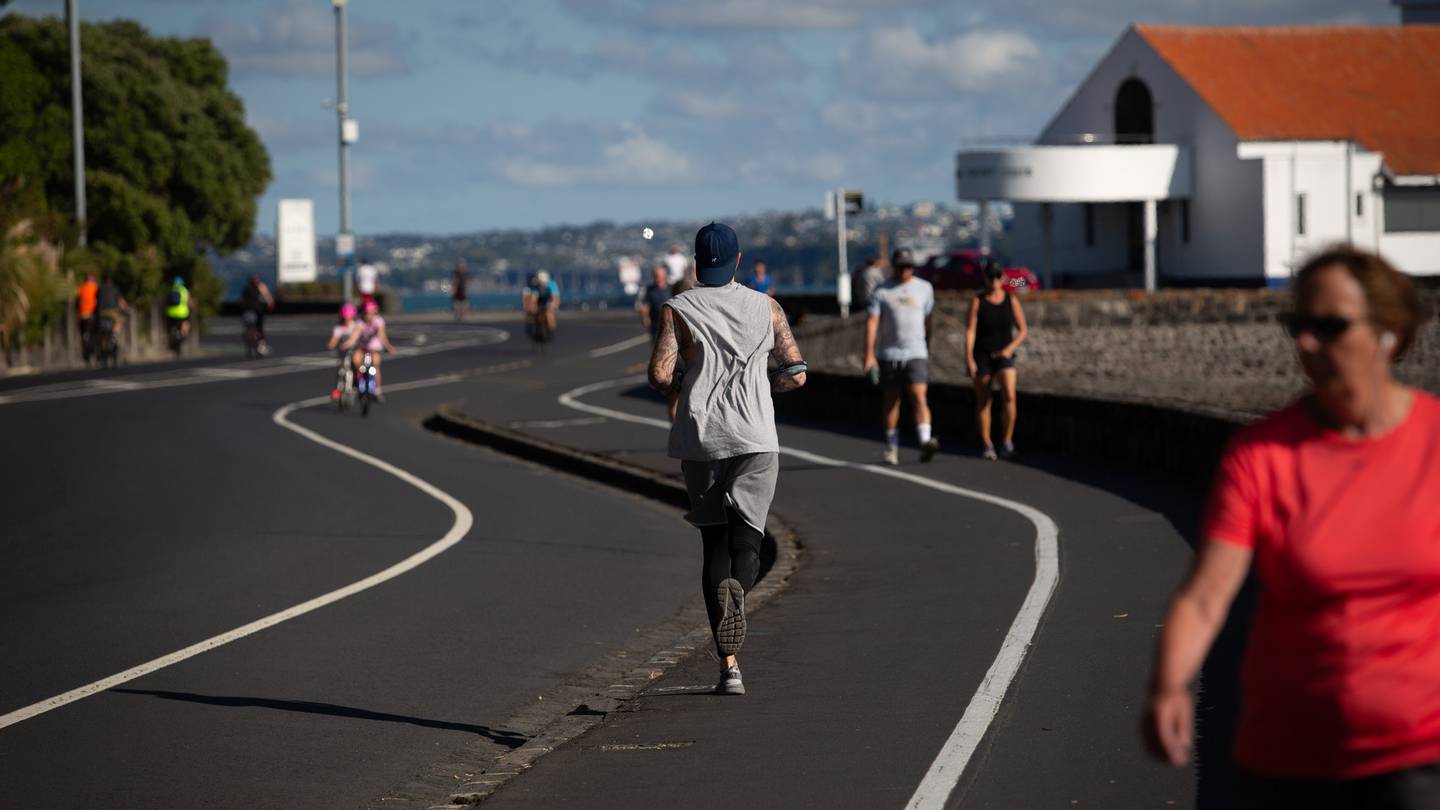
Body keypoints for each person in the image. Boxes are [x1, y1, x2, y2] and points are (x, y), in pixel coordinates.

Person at [1145, 246, 1439, 809]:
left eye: (1330, 327)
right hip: (1287, 760)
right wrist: (1169, 685)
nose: (1308, 344)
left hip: (1419, 756)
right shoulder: (1262, 455)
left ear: (1390, 333)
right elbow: (1206, 598)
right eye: (1298, 326)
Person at [649, 222, 807, 697]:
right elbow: (797, 374)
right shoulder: (766, 306)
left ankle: (729, 669)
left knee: (713, 545)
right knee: (749, 541)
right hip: (757, 436)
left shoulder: (678, 308)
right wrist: (764, 387)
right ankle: (741, 591)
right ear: (738, 261)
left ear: (696, 263)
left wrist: (686, 381)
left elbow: (658, 374)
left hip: (702, 437)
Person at [863, 248, 939, 466]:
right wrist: (869, 355)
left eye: (909, 266)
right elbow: (872, 323)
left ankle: (925, 441)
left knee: (919, 395)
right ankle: (891, 446)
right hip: (889, 353)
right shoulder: (882, 291)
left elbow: (928, 318)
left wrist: (927, 343)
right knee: (891, 399)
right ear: (894, 267)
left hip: (916, 351)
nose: (905, 270)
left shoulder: (925, 288)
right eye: (901, 266)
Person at [965, 261, 1028, 460]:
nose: (993, 282)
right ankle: (986, 442)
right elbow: (970, 330)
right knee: (984, 400)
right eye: (990, 277)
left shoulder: (1010, 297)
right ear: (984, 278)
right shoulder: (978, 300)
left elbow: (1023, 329)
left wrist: (1009, 349)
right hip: (982, 354)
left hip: (1004, 354)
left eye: (997, 277)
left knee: (1009, 393)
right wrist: (968, 358)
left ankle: (1007, 441)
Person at [344, 299, 395, 398]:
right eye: (367, 313)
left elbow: (382, 335)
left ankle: (377, 390)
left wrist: (388, 347)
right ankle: (357, 378)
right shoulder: (360, 323)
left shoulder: (378, 321)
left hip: (374, 349)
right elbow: (354, 336)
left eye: (372, 313)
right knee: (356, 360)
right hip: (362, 348)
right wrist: (347, 344)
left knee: (375, 366)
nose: (369, 316)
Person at [327, 302, 358, 400]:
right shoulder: (339, 327)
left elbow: (356, 338)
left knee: (356, 363)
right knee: (341, 369)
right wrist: (330, 345)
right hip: (343, 351)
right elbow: (334, 339)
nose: (346, 320)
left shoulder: (355, 326)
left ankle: (357, 380)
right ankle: (337, 388)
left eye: (348, 317)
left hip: (354, 350)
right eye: (344, 318)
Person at [240, 274, 274, 355]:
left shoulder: (249, 289)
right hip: (253, 311)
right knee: (255, 329)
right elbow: (268, 298)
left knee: (254, 329)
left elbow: (241, 301)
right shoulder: (257, 288)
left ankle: (256, 345)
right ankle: (257, 345)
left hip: (253, 311)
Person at [638, 265, 671, 344]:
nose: (656, 277)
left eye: (658, 275)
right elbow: (645, 305)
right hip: (655, 324)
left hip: (669, 324)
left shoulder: (671, 288)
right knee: (656, 345)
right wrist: (645, 317)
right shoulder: (650, 289)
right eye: (655, 275)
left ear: (664, 276)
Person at [523, 271, 560, 335]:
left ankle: (551, 329)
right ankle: (533, 325)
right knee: (533, 312)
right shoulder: (535, 285)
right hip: (539, 300)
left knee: (549, 314)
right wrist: (531, 307)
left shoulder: (551, 284)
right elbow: (534, 298)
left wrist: (554, 305)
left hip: (548, 300)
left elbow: (555, 297)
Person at [95, 275, 128, 339]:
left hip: (101, 312)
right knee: (120, 321)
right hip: (112, 312)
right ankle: (114, 334)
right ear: (111, 282)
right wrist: (126, 307)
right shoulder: (115, 289)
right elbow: (121, 301)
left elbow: (96, 299)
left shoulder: (100, 289)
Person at [76, 273, 98, 361]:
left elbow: (77, 302)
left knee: (82, 333)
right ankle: (95, 350)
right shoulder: (95, 287)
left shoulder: (81, 288)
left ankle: (85, 352)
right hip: (92, 315)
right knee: (95, 332)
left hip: (82, 315)